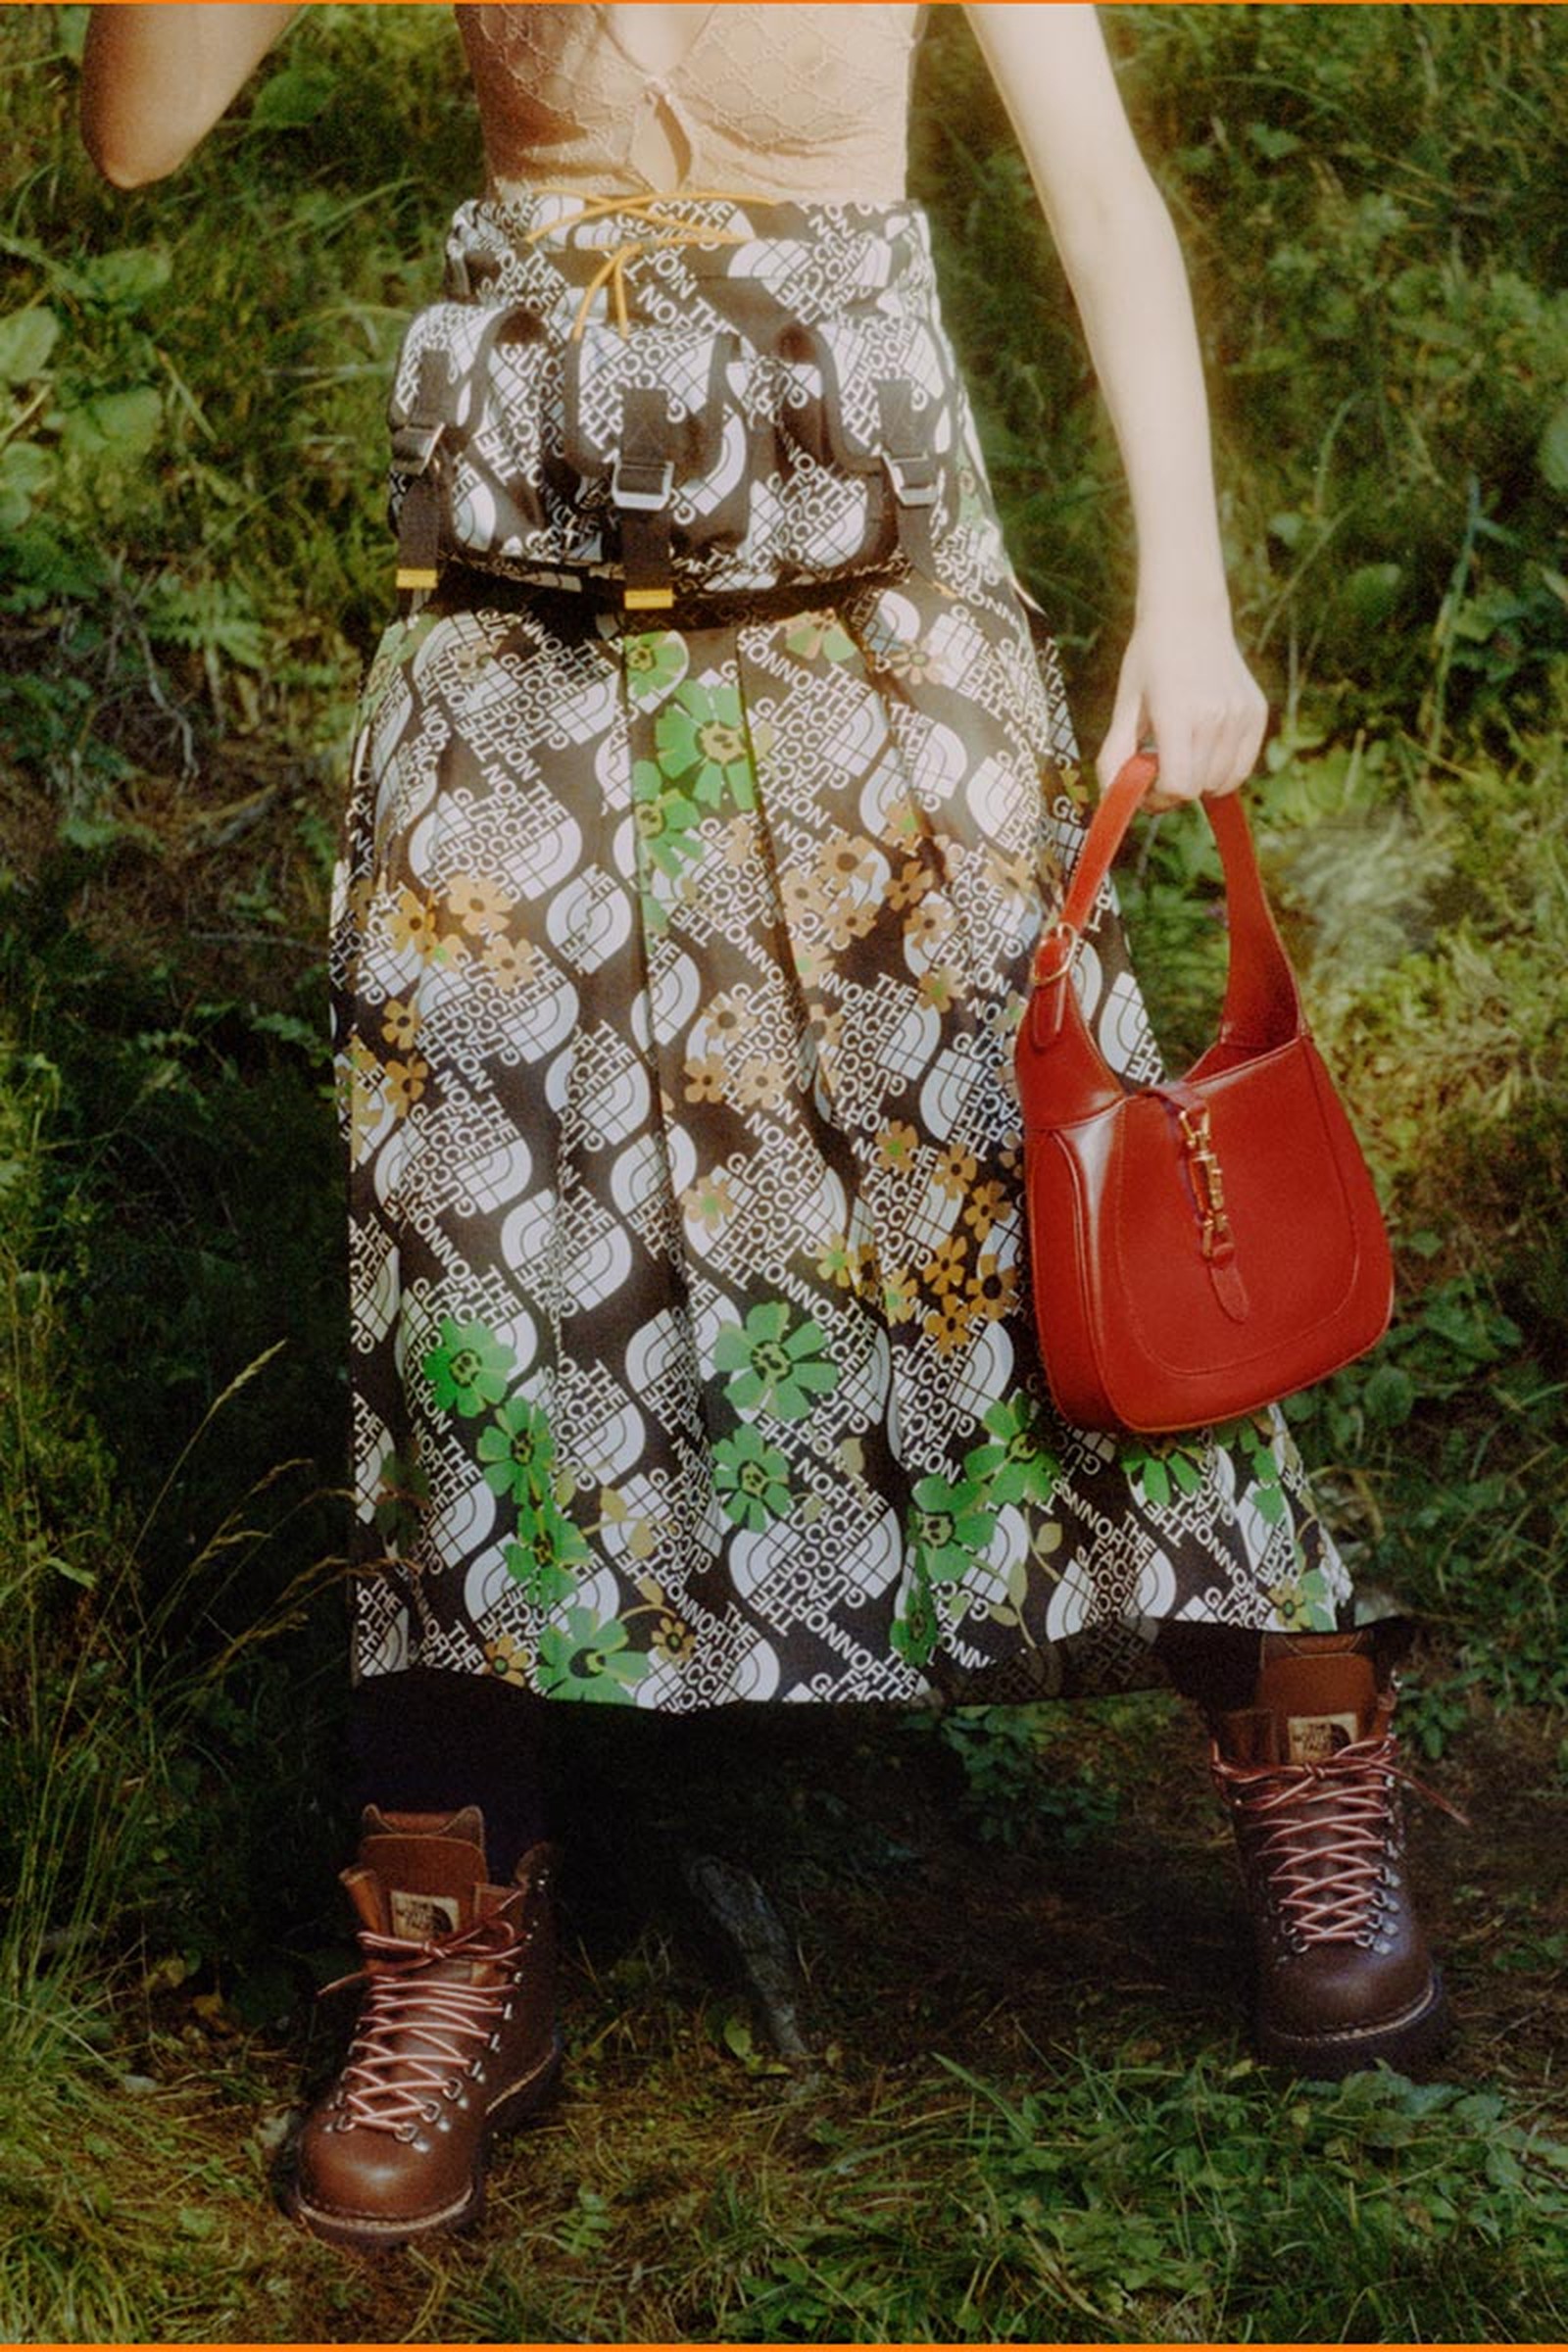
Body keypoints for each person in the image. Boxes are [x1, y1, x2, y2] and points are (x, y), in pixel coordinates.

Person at [82, 1, 1447, 2254]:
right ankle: (449, 1935)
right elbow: (137, 133)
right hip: (513, 666)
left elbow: (1105, 206)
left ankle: (1302, 1746)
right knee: (460, 1268)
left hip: (876, 637)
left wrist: (1185, 602)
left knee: (1025, 1213)